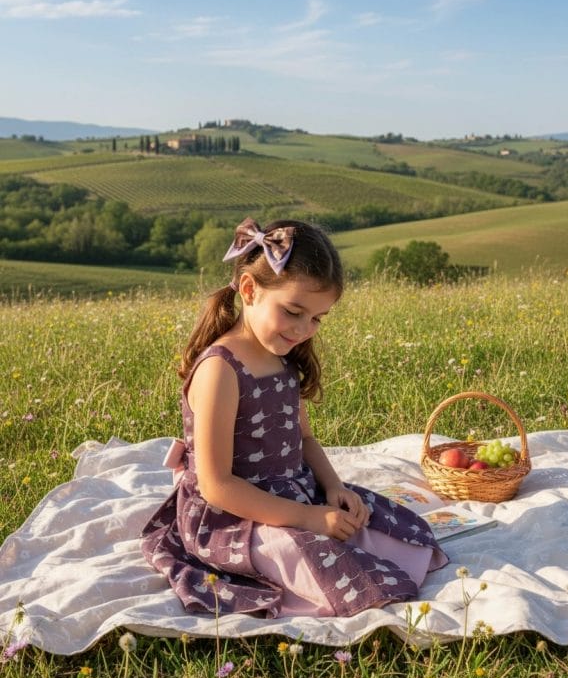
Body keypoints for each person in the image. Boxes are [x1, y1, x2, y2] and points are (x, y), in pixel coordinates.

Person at [141, 217, 447, 617]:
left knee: (396, 530)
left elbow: (304, 440)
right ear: (249, 290)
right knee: (312, 554)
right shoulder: (221, 369)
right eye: (294, 312)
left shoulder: (283, 359)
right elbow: (217, 486)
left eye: (317, 318)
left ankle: (342, 548)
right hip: (234, 515)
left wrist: (333, 486)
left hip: (294, 492)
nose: (305, 329)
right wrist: (308, 518)